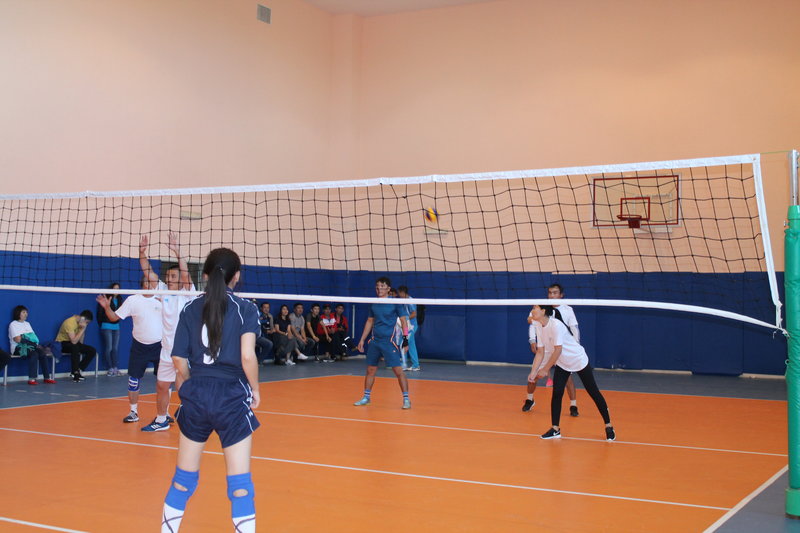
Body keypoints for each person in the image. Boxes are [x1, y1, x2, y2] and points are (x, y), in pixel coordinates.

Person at [160, 247, 260, 533]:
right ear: (236, 276)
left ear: (204, 276)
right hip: (231, 396)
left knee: (183, 480)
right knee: (240, 486)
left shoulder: (190, 308)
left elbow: (178, 360)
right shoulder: (245, 308)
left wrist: (193, 383)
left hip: (197, 396)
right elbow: (247, 356)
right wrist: (255, 390)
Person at [528, 304, 615, 441]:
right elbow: (540, 351)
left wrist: (545, 369)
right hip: (562, 363)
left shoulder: (556, 325)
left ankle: (609, 426)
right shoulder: (539, 325)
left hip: (577, 359)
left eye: (535, 308)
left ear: (543, 311)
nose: (532, 311)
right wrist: (533, 372)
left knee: (593, 392)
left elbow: (558, 350)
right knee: (557, 393)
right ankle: (555, 429)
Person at [137, 232, 196, 432]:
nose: (169, 279)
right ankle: (161, 420)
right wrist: (142, 252)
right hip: (166, 349)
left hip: (184, 351)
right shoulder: (163, 291)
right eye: (168, 276)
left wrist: (177, 252)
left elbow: (186, 274)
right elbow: (148, 272)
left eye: (173, 276)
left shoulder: (187, 293)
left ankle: (195, 418)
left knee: (184, 387)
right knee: (162, 386)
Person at [97, 275, 163, 424]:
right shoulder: (133, 300)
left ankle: (163, 415)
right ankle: (133, 412)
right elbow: (114, 318)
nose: (150, 283)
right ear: (142, 283)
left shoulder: (163, 298)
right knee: (133, 380)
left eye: (153, 281)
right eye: (147, 281)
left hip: (160, 346)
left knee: (163, 381)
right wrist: (107, 307)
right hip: (139, 346)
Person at [353, 277, 411, 409]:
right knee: (370, 370)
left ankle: (406, 399)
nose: (379, 288)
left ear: (388, 289)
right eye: (377, 286)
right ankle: (366, 397)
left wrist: (405, 339)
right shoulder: (373, 303)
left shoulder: (396, 303)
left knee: (398, 371)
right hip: (375, 342)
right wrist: (362, 339)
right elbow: (369, 321)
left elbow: (403, 321)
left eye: (383, 286)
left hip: (389, 342)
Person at [523, 283, 580, 416]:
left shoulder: (568, 309)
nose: (552, 295)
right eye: (550, 293)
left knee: (567, 378)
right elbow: (531, 321)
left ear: (561, 295)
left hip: (561, 349)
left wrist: (576, 345)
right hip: (545, 349)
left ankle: (573, 405)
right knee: (533, 375)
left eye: (555, 293)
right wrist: (532, 339)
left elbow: (574, 328)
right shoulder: (541, 307)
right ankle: (529, 399)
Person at [9, 305, 55, 385]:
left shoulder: (27, 324)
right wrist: (29, 341)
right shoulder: (13, 324)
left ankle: (47, 378)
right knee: (34, 354)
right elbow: (17, 339)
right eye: (23, 312)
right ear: (18, 313)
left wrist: (27, 340)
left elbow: (34, 338)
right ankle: (32, 379)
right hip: (17, 348)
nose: (26, 314)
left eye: (26, 312)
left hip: (30, 346)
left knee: (42, 353)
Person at [56, 310, 96, 382]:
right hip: (62, 343)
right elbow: (74, 341)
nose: (86, 324)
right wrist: (83, 329)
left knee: (92, 350)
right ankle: (75, 373)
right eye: (86, 322)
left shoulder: (81, 324)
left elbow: (80, 342)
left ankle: (78, 369)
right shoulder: (69, 322)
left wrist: (82, 329)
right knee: (75, 347)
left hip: (73, 343)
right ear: (83, 318)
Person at [97, 282, 124, 376]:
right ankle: (110, 368)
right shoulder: (107, 299)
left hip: (116, 327)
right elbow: (100, 314)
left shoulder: (120, 300)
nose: (116, 290)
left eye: (118, 289)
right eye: (115, 288)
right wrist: (103, 323)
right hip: (106, 326)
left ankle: (115, 368)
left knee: (115, 348)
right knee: (109, 348)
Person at [396, 286, 420, 371]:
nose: (398, 295)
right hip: (406, 326)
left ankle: (404, 364)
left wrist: (404, 319)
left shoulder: (410, 301)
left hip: (411, 327)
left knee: (403, 344)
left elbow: (414, 314)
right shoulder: (403, 301)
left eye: (399, 293)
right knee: (411, 346)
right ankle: (416, 365)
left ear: (402, 292)